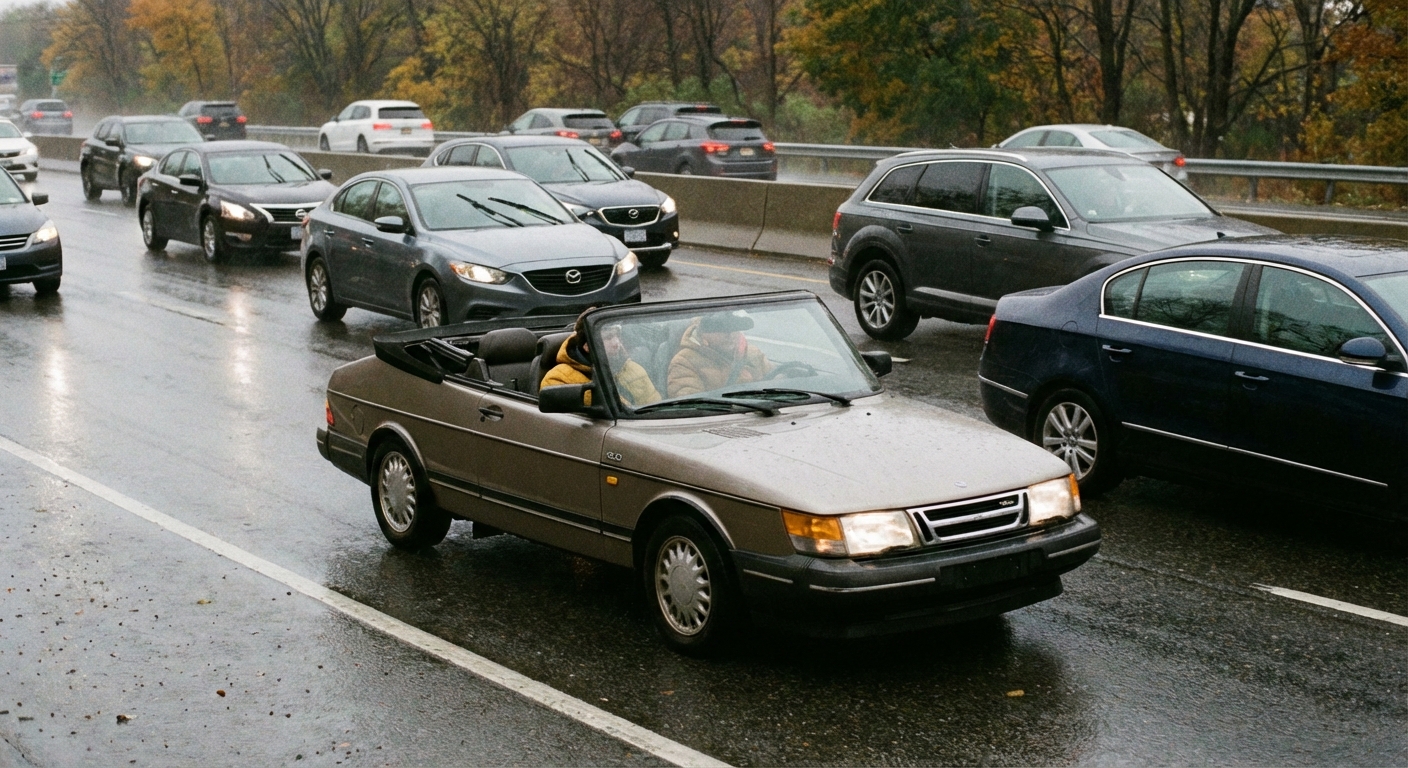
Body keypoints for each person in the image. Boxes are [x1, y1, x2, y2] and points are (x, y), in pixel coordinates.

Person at [540, 311, 661, 406]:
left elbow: (655, 407)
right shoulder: (558, 379)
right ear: (587, 345)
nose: (616, 343)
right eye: (608, 338)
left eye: (617, 336)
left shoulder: (634, 369)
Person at [667, 311, 772, 398]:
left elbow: (776, 380)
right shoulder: (684, 361)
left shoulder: (753, 353)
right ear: (703, 334)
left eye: (734, 327)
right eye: (721, 329)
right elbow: (691, 407)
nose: (730, 335)